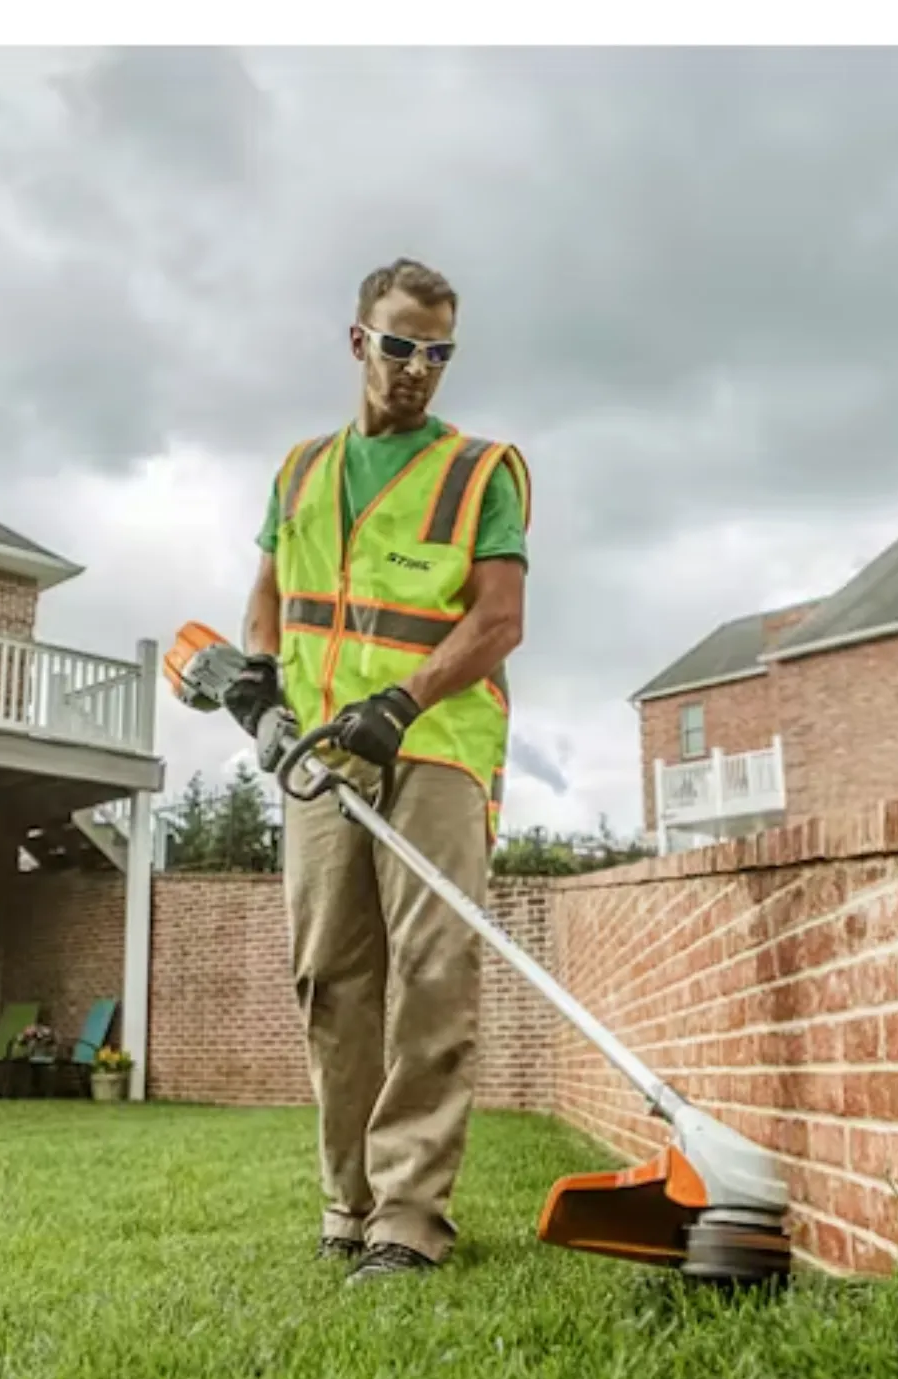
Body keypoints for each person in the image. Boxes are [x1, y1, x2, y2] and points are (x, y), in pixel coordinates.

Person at [225, 256, 531, 1283]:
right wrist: (260, 692)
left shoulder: (482, 470)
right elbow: (266, 599)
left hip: (434, 746)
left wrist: (402, 704)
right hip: (318, 756)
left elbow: (499, 620)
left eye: (437, 352)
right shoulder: (302, 470)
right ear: (359, 341)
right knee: (328, 979)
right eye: (400, 345)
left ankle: (411, 1218)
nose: (416, 368)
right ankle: (347, 1202)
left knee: (433, 974)